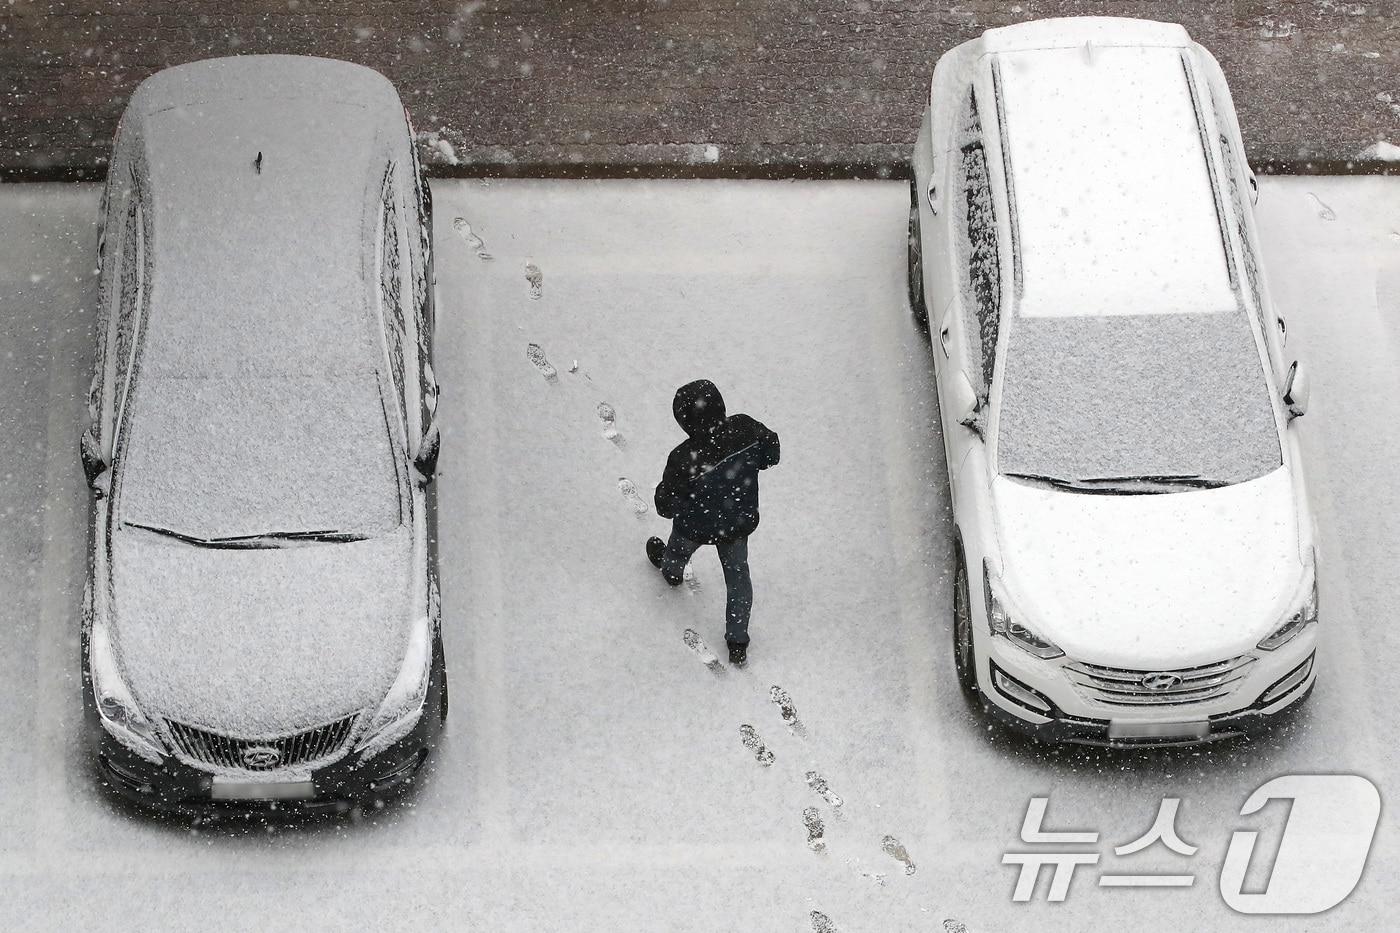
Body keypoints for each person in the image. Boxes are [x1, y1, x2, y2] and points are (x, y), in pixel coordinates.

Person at [647, 380, 780, 666]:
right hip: (737, 523)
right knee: (738, 577)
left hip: (695, 525)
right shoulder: (745, 428)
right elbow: (772, 452)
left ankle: (671, 571)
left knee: (679, 550)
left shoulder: (684, 459)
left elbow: (666, 506)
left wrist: (667, 496)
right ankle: (737, 641)